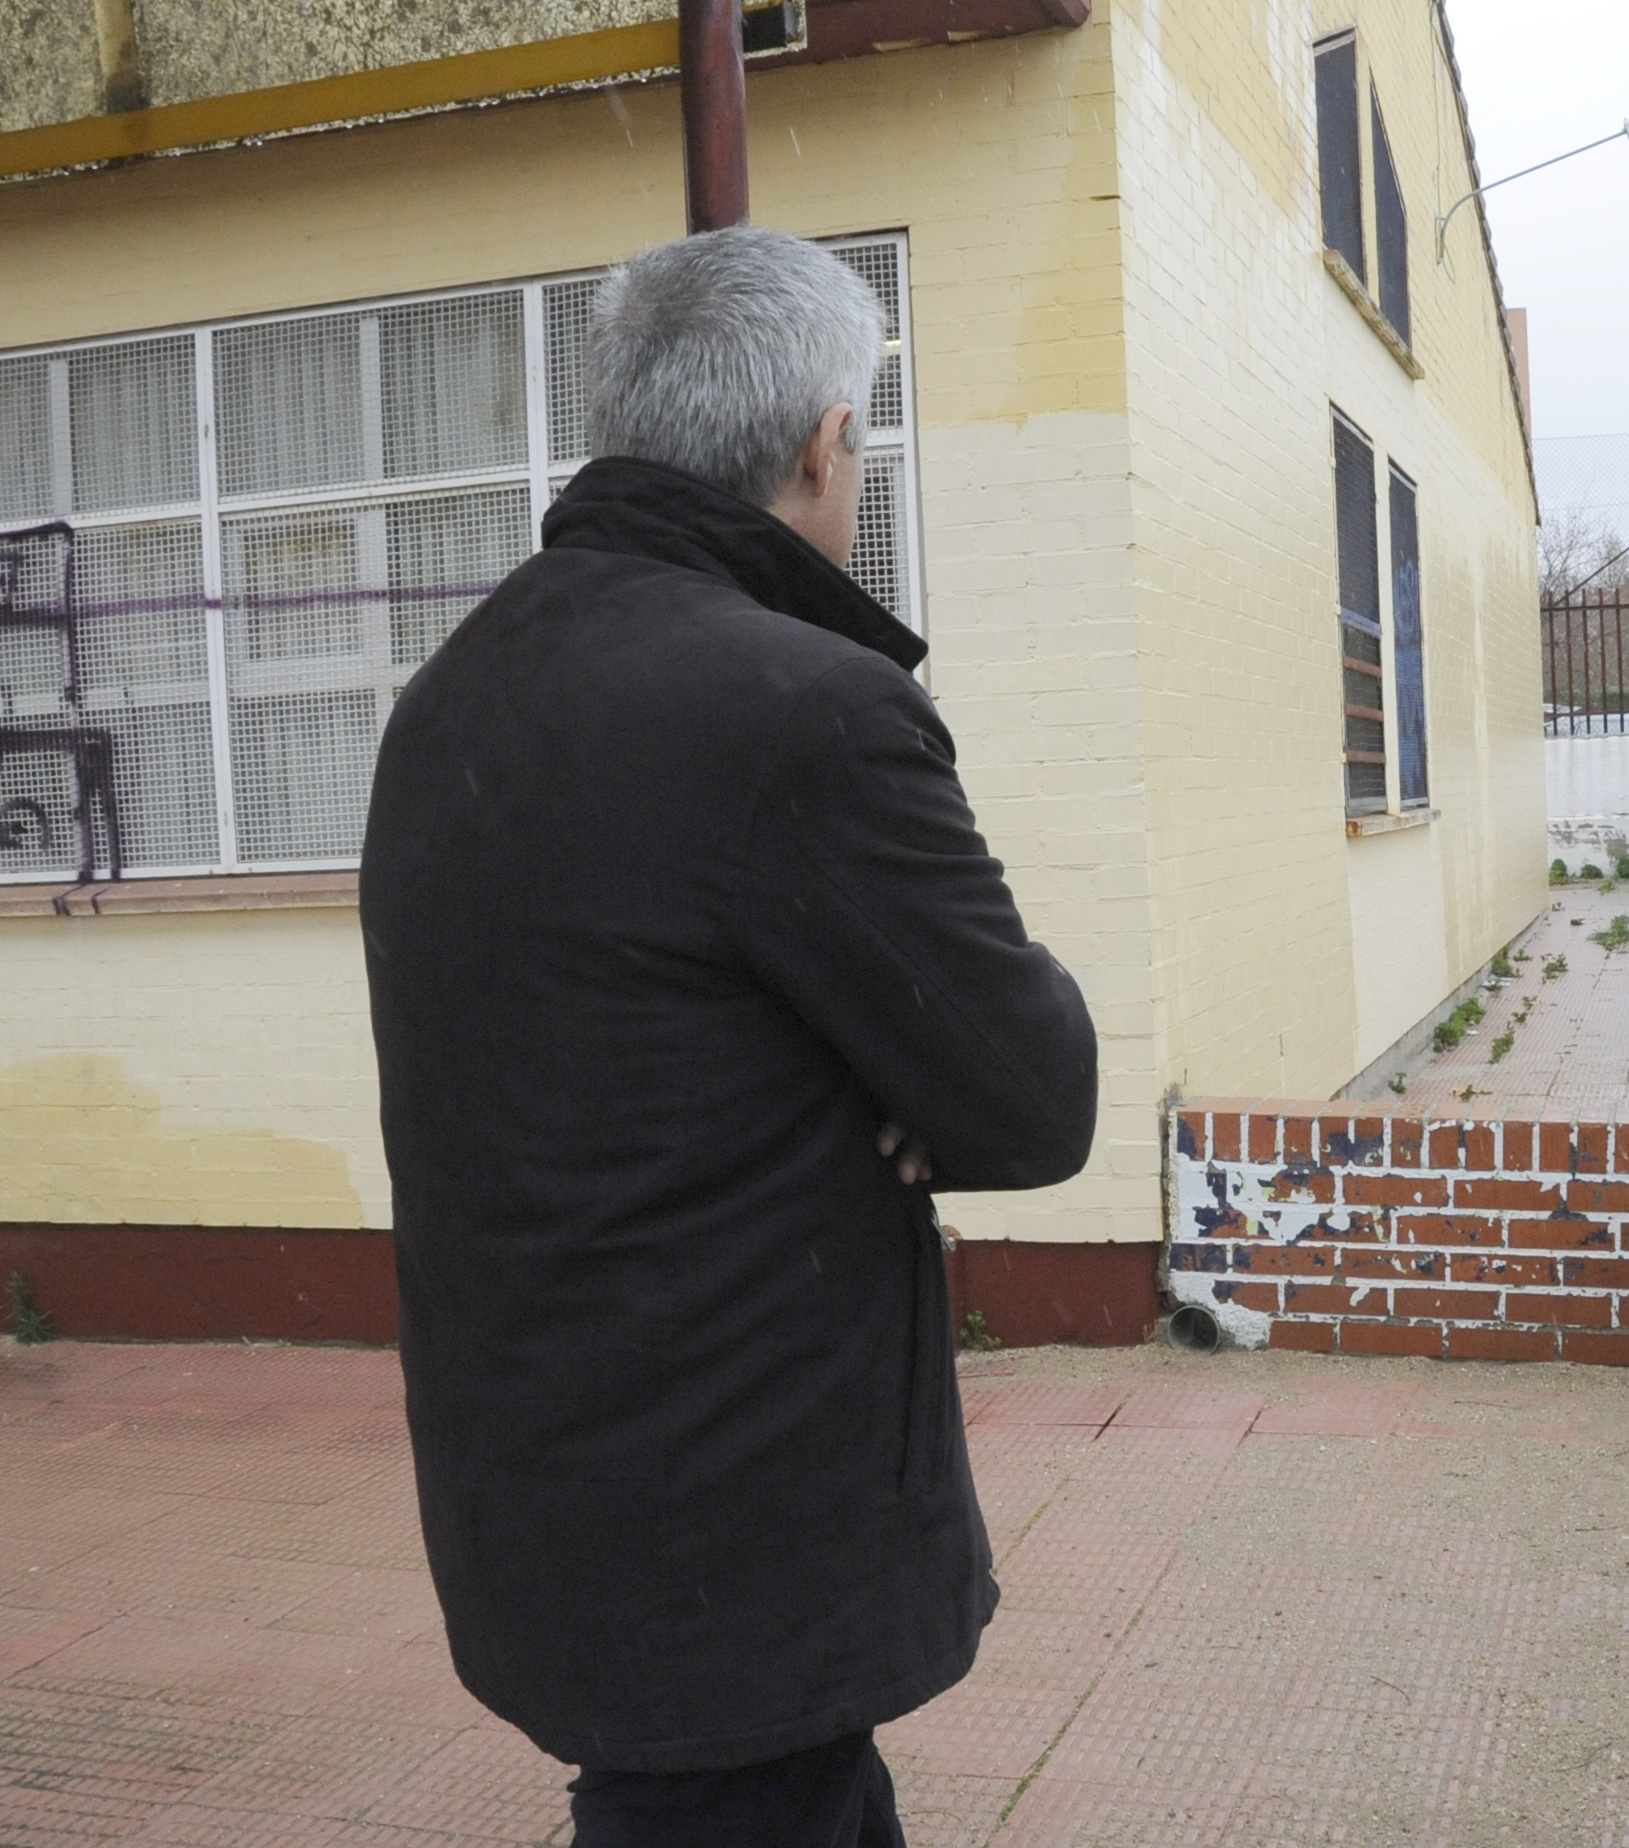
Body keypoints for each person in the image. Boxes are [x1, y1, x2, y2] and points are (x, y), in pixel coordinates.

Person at [361, 227, 1099, 1848]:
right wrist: (892, 1075)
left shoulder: (453, 695)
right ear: (824, 445)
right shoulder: (803, 710)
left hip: (540, 1489)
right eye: (864, 448)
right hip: (736, 1529)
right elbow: (1032, 1092)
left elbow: (618, 1043)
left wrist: (873, 1065)